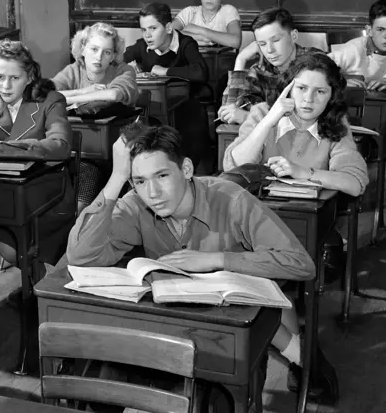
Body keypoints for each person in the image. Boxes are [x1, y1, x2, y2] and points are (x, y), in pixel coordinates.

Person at [66, 123, 337, 399]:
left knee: (213, 399)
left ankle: (298, 353)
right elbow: (80, 255)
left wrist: (216, 259)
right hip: (171, 325)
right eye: (140, 180)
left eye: (162, 175)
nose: (153, 193)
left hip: (229, 333)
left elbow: (300, 263)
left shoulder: (231, 200)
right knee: (101, 383)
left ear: (185, 169)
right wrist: (117, 176)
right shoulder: (136, 204)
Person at [0, 39, 74, 279]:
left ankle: (36, 290)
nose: (6, 86)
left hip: (43, 194)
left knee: (10, 250)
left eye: (14, 78)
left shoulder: (51, 100)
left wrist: (2, 147)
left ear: (29, 77)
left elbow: (60, 146)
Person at [224, 49, 369, 198]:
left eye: (320, 91)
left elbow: (355, 183)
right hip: (257, 207)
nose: (309, 99)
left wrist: (303, 173)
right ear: (288, 88)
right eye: (301, 88)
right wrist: (268, 121)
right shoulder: (262, 113)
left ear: (332, 96)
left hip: (306, 214)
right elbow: (234, 166)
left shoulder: (335, 121)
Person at [52, 22, 138, 211]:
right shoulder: (73, 70)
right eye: (94, 49)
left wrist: (71, 97)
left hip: (122, 151)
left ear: (114, 55)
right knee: (77, 203)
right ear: (82, 49)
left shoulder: (123, 70)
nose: (99, 57)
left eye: (107, 52)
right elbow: (44, 95)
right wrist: (85, 91)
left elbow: (114, 95)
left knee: (122, 208)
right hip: (83, 153)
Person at [124, 2, 211, 172]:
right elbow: (119, 58)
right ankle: (138, 170)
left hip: (184, 107)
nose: (147, 35)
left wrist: (166, 71)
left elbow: (200, 72)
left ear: (169, 27)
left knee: (186, 138)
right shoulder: (142, 46)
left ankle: (186, 171)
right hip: (151, 109)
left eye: (153, 28)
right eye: (143, 30)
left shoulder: (186, 44)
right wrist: (128, 69)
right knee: (130, 130)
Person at [329, 0, 386, 173]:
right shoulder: (353, 49)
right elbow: (316, 65)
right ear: (369, 30)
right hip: (353, 113)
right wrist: (342, 79)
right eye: (381, 29)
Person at [218, 7, 309, 125]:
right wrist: (240, 60)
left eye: (276, 40)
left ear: (294, 36)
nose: (269, 50)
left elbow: (309, 119)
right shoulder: (260, 69)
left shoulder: (315, 64)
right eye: (262, 44)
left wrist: (247, 117)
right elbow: (228, 113)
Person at [171, 0, 242, 50]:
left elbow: (236, 41)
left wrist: (201, 31)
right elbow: (169, 33)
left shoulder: (228, 11)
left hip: (219, 61)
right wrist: (201, 37)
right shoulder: (189, 12)